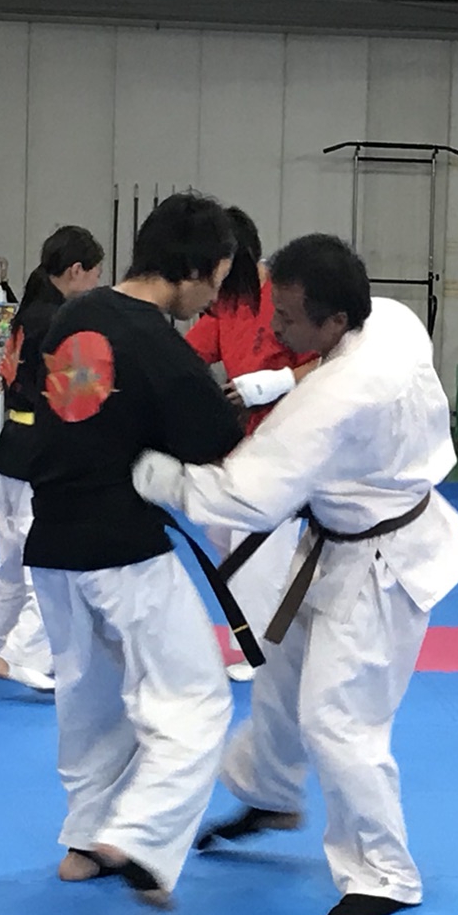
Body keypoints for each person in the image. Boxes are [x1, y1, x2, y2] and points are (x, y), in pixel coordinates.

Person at [132, 233, 458, 915]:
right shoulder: (392, 320)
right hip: (338, 541)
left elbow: (247, 495)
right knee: (280, 673)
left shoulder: (337, 399)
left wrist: (160, 477)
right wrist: (283, 382)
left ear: (336, 319)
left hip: (381, 570)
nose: (275, 330)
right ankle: (269, 793)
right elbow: (319, 386)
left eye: (287, 318)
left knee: (338, 717)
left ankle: (384, 873)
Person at [25, 193, 245, 906]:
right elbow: (214, 441)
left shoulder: (77, 315)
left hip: (53, 543)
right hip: (122, 550)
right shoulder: (160, 347)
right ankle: (142, 837)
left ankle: (85, 843)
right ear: (195, 268)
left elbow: (86, 413)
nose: (212, 301)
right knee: (196, 697)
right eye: (216, 281)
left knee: (91, 706)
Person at [183, 207, 315, 683]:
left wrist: (279, 380)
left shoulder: (287, 297)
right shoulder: (226, 303)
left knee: (257, 543)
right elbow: (188, 353)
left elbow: (330, 363)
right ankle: (269, 634)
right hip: (241, 442)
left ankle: (263, 651)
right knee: (221, 529)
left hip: (288, 438)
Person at [0, 227, 104, 692]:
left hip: (10, 447)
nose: (95, 283)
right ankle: (17, 655)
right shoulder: (60, 321)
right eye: (94, 274)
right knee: (48, 561)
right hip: (41, 452)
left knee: (11, 564)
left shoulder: (27, 313)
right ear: (76, 271)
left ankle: (2, 646)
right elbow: (72, 395)